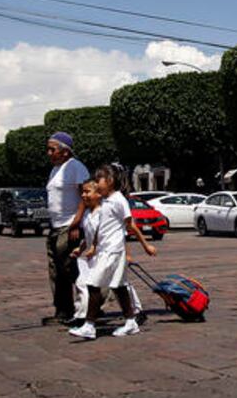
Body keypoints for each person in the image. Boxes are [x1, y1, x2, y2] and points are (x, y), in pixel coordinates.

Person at [70, 164, 156, 340]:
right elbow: (100, 228)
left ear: (109, 181)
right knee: (120, 287)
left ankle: (89, 325)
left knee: (93, 283)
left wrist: (145, 245)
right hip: (105, 250)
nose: (96, 183)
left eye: (98, 180)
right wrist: (92, 245)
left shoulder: (118, 200)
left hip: (112, 251)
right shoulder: (105, 202)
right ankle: (131, 321)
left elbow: (130, 224)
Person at [44, 131, 91, 325]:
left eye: (52, 149)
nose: (48, 153)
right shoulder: (56, 169)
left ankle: (91, 303)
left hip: (69, 224)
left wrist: (76, 223)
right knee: (56, 270)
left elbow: (86, 196)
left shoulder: (75, 167)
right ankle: (63, 310)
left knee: (69, 268)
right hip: (55, 226)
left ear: (65, 152)